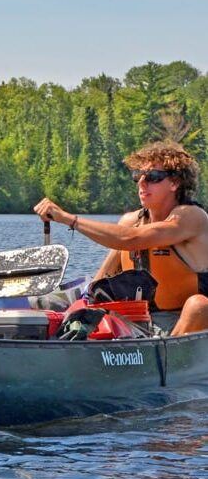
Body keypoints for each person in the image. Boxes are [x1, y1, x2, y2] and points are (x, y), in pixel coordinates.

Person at [34, 141, 208, 336]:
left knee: (199, 305)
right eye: (138, 176)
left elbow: (131, 239)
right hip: (137, 320)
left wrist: (69, 219)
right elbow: (101, 280)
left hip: (184, 323)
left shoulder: (191, 218)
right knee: (64, 305)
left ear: (175, 183)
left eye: (152, 177)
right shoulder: (130, 222)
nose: (142, 183)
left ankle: (165, 360)